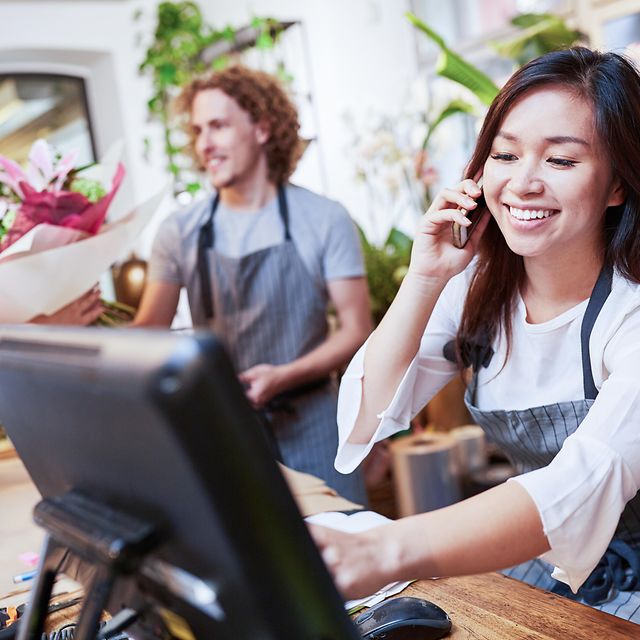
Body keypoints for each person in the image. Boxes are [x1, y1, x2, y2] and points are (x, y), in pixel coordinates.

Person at [311, 47, 640, 622]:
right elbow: (364, 421)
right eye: (504, 154)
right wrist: (425, 277)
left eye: (561, 161)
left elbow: (582, 480)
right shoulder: (474, 289)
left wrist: (382, 549)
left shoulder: (629, 312)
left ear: (618, 186)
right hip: (543, 564)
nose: (522, 183)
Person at [134, 66, 371, 503]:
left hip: (317, 424)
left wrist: (284, 376)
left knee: (342, 559)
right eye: (198, 130)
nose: (205, 144)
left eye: (219, 126)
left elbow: (358, 329)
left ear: (262, 128)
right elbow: (148, 329)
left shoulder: (323, 219)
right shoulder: (180, 231)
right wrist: (65, 317)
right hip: (227, 432)